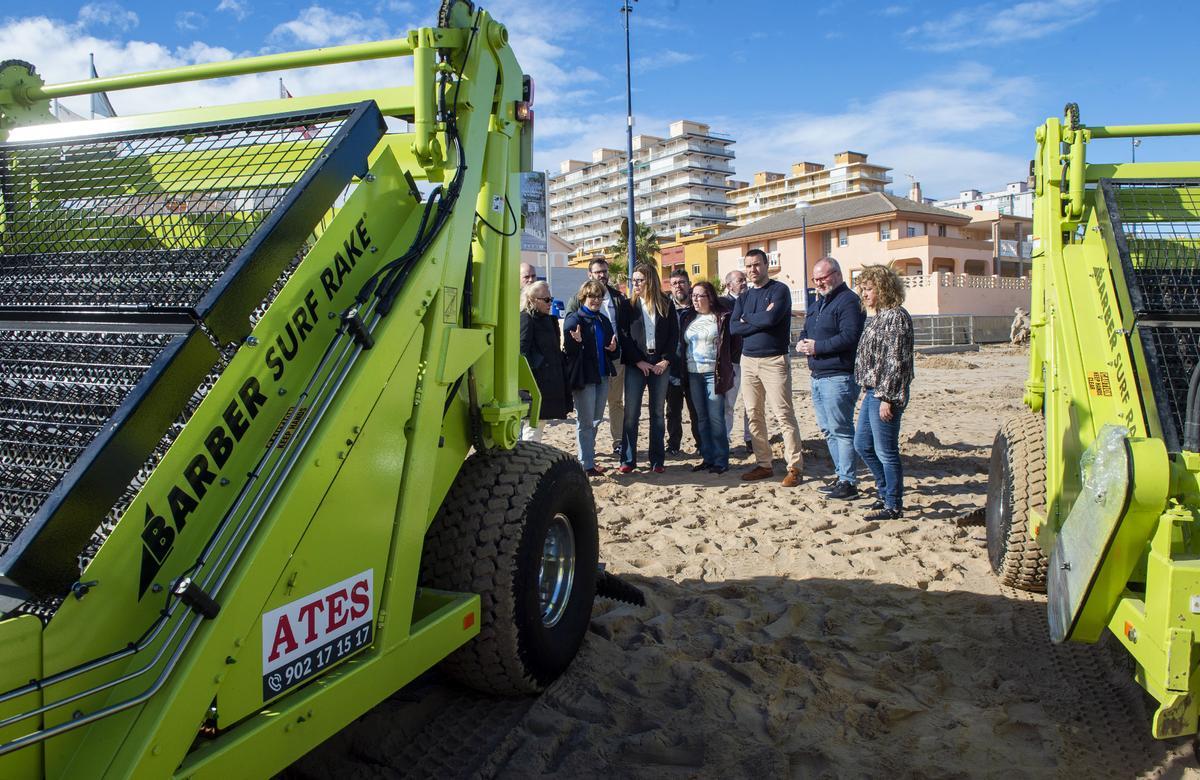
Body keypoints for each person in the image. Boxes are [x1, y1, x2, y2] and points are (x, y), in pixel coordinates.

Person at [730, 248, 804, 486]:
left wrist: (748, 318)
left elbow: (772, 320)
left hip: (774, 360)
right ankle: (764, 464)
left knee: (783, 414)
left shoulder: (779, 290)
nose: (753, 270)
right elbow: (734, 328)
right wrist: (759, 317)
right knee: (753, 414)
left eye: (757, 265)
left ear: (766, 265)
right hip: (748, 360)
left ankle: (794, 467)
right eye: (749, 266)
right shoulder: (743, 297)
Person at [796, 257, 866, 500]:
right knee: (828, 430)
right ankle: (842, 476)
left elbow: (850, 337)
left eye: (822, 278)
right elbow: (807, 329)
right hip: (818, 375)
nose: (818, 283)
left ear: (836, 274)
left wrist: (818, 348)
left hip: (839, 375)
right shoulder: (818, 303)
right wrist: (803, 342)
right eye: (815, 280)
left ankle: (848, 483)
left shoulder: (848, 301)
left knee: (841, 429)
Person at [852, 264, 915, 520]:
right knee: (862, 445)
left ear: (884, 289)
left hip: (886, 395)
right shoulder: (878, 317)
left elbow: (896, 361)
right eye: (863, 289)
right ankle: (884, 491)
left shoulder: (896, 317)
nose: (864, 294)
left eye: (869, 289)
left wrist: (887, 398)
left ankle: (893, 503)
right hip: (872, 392)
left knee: (886, 451)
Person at [567, 257, 630, 456]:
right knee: (587, 417)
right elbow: (569, 335)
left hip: (611, 361)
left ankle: (616, 441)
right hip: (587, 367)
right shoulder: (576, 305)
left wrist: (615, 349)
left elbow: (622, 329)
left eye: (604, 271)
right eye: (597, 272)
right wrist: (576, 342)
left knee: (612, 404)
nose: (602, 275)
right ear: (590, 275)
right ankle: (587, 453)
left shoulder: (616, 298)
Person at [618, 263, 677, 475]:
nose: (635, 284)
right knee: (631, 414)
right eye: (633, 280)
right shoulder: (627, 306)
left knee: (657, 414)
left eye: (640, 280)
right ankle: (628, 459)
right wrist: (638, 361)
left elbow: (673, 336)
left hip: (660, 364)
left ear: (650, 280)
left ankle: (657, 460)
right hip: (636, 365)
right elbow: (624, 336)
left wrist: (666, 361)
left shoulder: (666, 303)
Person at [563, 280, 619, 476]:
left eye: (598, 296)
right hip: (585, 378)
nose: (595, 300)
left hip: (603, 376)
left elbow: (613, 350)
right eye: (591, 296)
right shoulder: (574, 319)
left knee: (595, 420)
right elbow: (569, 350)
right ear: (583, 297)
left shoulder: (603, 320)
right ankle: (585, 464)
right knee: (585, 421)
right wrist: (575, 342)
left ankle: (588, 458)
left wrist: (613, 349)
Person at [680, 281, 734, 474]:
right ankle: (707, 457)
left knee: (715, 417)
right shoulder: (688, 318)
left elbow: (733, 344)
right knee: (701, 418)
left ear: (710, 298)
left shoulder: (721, 317)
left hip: (713, 372)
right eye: (693, 296)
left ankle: (721, 459)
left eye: (699, 296)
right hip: (693, 373)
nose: (695, 299)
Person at [519, 280, 571, 443]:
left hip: (550, 381)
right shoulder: (526, 319)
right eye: (546, 300)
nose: (550, 303)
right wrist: (537, 368)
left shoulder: (549, 320)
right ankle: (528, 465)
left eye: (551, 299)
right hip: (535, 383)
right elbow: (522, 352)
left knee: (538, 425)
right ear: (532, 300)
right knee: (532, 426)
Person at [665, 268, 701, 455]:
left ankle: (701, 445)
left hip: (695, 369)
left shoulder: (698, 309)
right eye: (675, 283)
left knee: (696, 412)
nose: (679, 286)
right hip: (672, 370)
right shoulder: (665, 309)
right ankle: (673, 445)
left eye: (682, 282)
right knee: (672, 412)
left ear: (688, 284)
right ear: (670, 287)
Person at [720, 269, 750, 453]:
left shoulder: (752, 300)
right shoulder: (723, 304)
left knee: (752, 404)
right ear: (729, 284)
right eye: (740, 280)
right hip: (732, 361)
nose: (744, 283)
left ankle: (750, 438)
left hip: (752, 358)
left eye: (745, 280)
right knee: (728, 404)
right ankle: (726, 438)